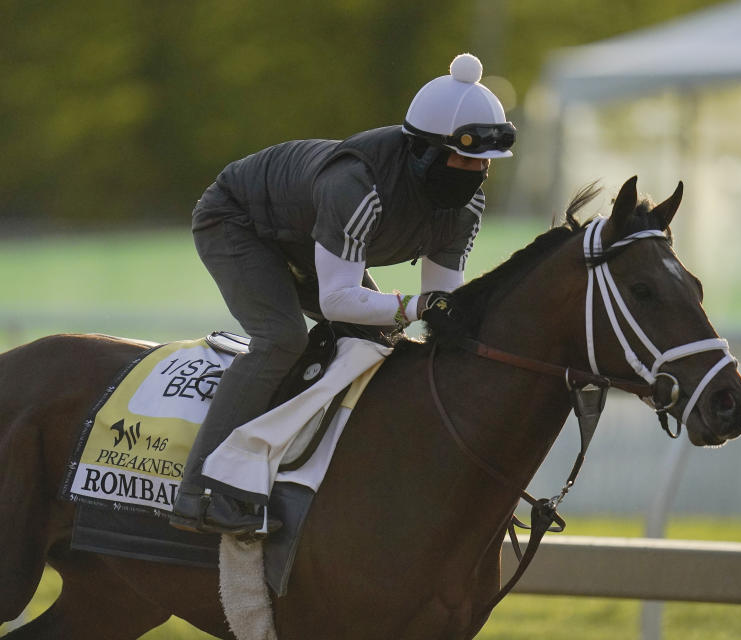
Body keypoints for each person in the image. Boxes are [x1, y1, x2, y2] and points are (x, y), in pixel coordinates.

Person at [170, 53, 516, 536]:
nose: (478, 171)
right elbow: (337, 300)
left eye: (486, 161)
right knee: (281, 338)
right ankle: (201, 491)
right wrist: (417, 307)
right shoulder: (358, 186)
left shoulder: (467, 204)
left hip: (306, 228)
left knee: (385, 333)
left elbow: (440, 304)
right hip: (239, 220)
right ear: (425, 152)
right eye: (467, 157)